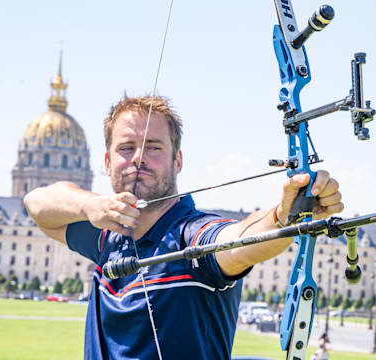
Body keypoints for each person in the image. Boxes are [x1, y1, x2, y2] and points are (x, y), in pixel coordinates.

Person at [24, 95, 344, 360]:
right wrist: (90, 206)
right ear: (107, 163)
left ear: (177, 161)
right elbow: (37, 203)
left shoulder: (193, 234)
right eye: (125, 148)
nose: (138, 158)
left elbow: (240, 240)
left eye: (154, 147)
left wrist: (283, 216)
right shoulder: (106, 232)